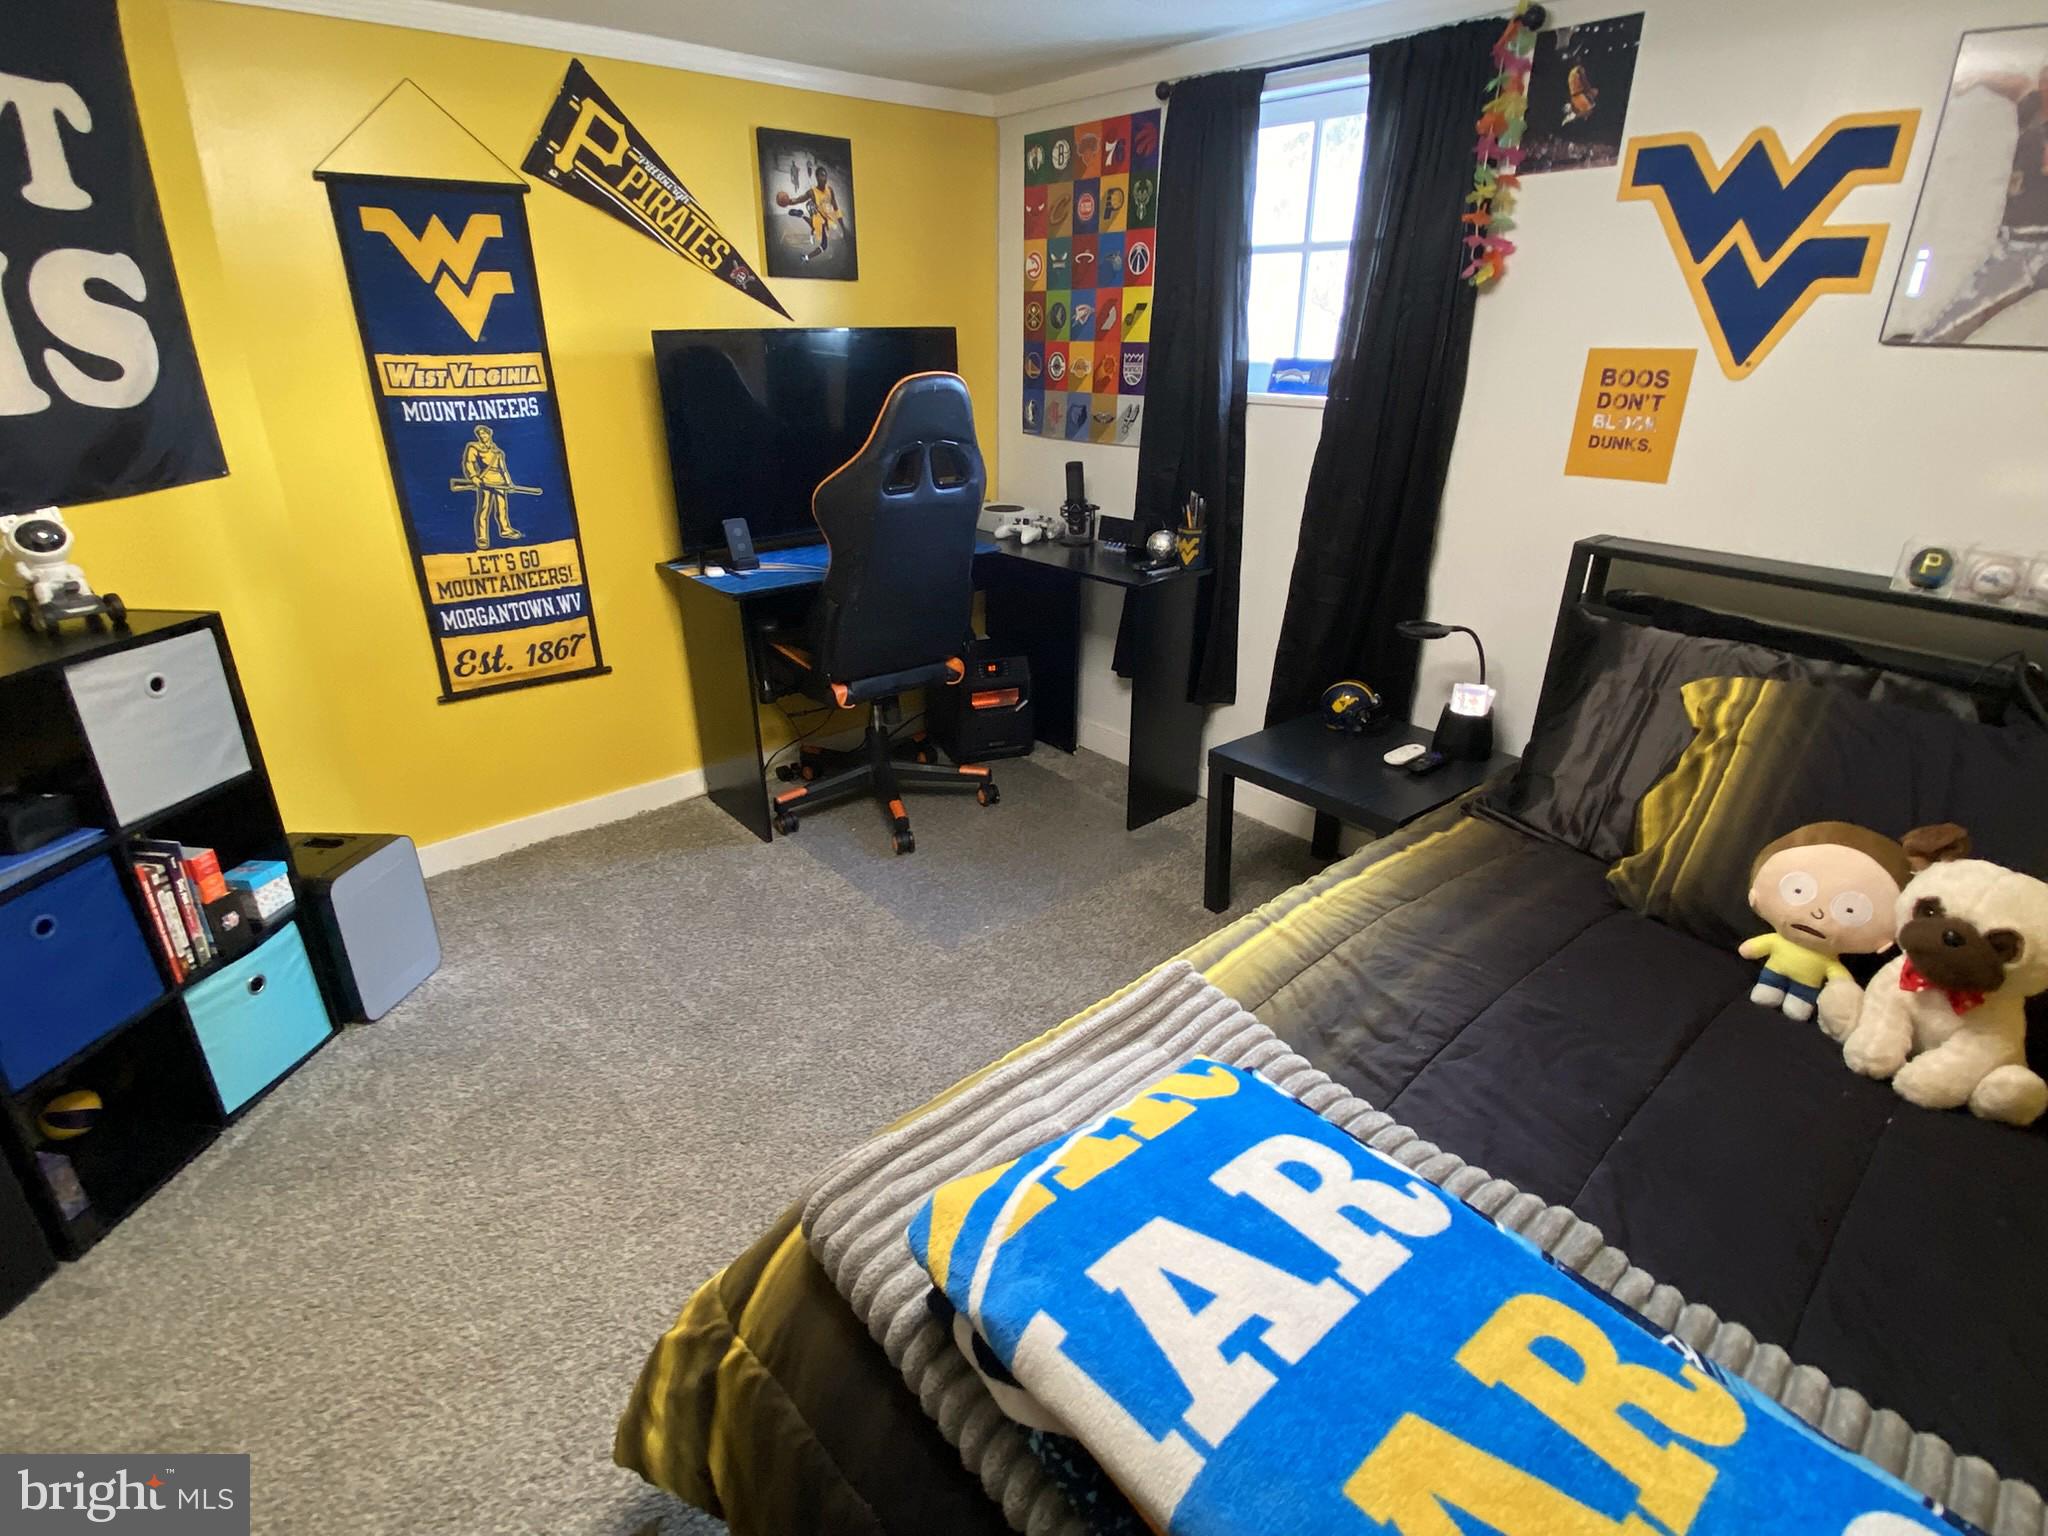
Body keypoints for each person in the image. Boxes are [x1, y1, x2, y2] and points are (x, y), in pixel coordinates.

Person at [1915, 57, 2048, 344]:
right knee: (1949, 327)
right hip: (2015, 245)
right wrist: (1975, 78)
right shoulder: (2032, 109)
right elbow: (2016, 85)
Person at [459, 425, 522, 551]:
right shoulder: (474, 447)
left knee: (502, 507)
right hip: (485, 481)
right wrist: (474, 477)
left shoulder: (497, 452)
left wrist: (509, 483)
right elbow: (469, 463)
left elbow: (503, 469)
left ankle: (505, 529)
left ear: (489, 434)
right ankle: (482, 536)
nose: (483, 436)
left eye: (485, 434)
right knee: (484, 508)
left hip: (499, 481)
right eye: (480, 434)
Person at [784, 163, 845, 262]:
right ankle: (806, 257)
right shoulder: (812, 192)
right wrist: (788, 201)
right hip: (818, 217)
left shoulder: (829, 190)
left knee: (818, 230)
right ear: (817, 177)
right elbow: (799, 199)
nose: (824, 178)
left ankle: (802, 215)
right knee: (823, 243)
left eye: (825, 175)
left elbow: (836, 207)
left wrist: (843, 226)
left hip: (828, 217)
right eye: (821, 175)